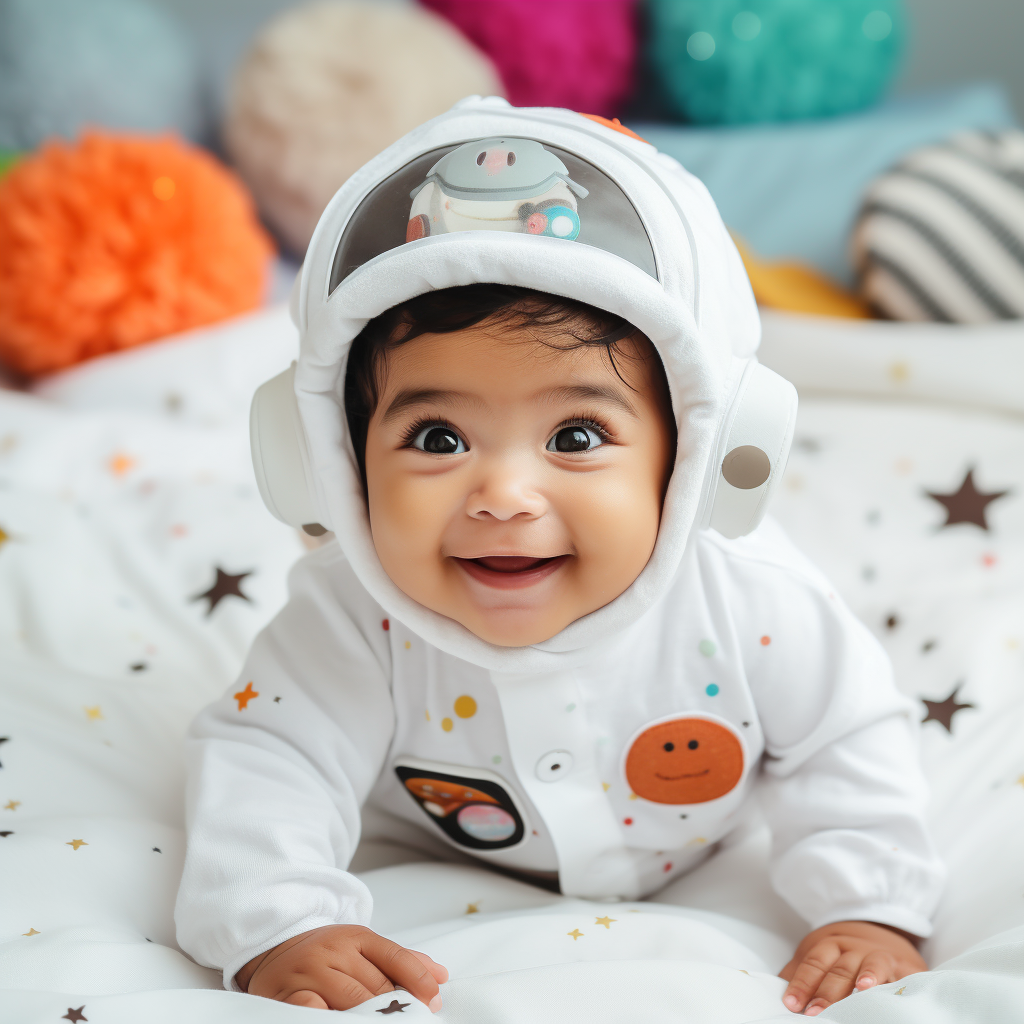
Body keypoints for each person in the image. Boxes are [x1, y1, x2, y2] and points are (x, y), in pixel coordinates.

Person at [174, 99, 944, 1017]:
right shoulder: (349, 616)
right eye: (437, 436)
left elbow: (846, 738)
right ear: (331, 462)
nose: (502, 495)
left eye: (577, 435)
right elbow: (272, 758)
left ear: (694, 459)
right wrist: (280, 921)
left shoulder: (755, 602)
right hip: (436, 858)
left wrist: (871, 909)